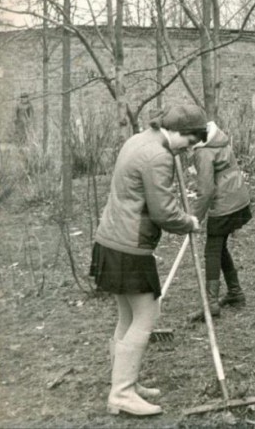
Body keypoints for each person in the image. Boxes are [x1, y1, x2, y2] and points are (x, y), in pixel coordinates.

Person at [90, 105, 207, 416]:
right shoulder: (158, 156)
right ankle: (122, 393)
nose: (189, 149)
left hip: (110, 239)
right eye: (191, 141)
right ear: (180, 133)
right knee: (147, 314)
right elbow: (164, 212)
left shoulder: (140, 139)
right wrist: (189, 222)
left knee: (127, 317)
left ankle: (124, 381)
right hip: (129, 245)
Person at [189, 120, 252, 320]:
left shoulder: (203, 152)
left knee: (212, 250)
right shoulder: (219, 139)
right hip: (240, 198)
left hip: (225, 204)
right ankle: (235, 292)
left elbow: (206, 191)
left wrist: (194, 219)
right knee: (220, 245)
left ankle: (211, 304)